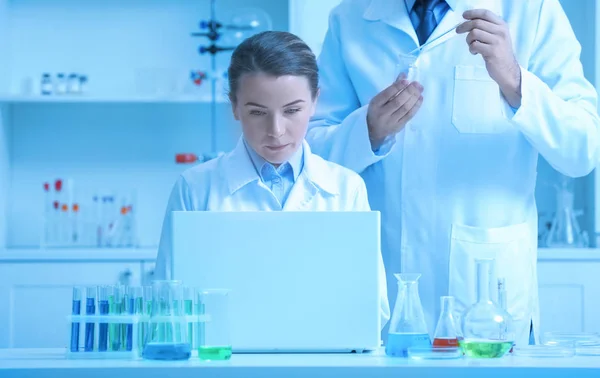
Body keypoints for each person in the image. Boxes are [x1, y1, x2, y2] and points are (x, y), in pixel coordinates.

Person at [306, 0, 600, 347]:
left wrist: (515, 79)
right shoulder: (351, 18)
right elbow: (309, 150)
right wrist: (368, 131)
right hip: (382, 289)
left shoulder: (531, 10)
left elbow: (582, 150)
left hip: (484, 293)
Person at [154, 30, 390, 329]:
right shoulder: (196, 187)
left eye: (292, 110)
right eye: (257, 112)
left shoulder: (346, 188)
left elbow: (373, 309)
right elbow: (167, 304)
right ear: (235, 107)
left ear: (315, 101)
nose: (276, 130)